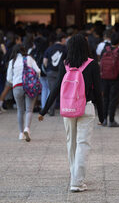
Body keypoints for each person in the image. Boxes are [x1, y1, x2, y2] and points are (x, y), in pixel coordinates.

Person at [38, 34, 103, 192]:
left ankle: (75, 177)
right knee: (83, 144)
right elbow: (99, 91)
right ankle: (77, 181)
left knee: (71, 143)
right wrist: (103, 115)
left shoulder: (65, 64)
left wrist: (44, 110)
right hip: (86, 108)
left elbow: (56, 88)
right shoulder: (93, 65)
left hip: (68, 108)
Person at [7, 45, 41, 142]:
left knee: (20, 110)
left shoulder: (12, 62)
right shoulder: (29, 58)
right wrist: (34, 80)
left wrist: (15, 81)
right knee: (29, 110)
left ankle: (21, 133)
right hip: (29, 86)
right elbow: (38, 70)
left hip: (17, 86)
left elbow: (9, 78)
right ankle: (27, 128)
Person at [100, 32, 119, 127]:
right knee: (113, 99)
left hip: (104, 78)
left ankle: (103, 120)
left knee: (105, 98)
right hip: (115, 78)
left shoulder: (104, 50)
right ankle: (111, 120)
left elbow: (100, 64)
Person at [43, 32, 67, 116]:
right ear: (62, 39)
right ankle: (64, 109)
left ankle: (51, 110)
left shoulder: (49, 48)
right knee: (63, 91)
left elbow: (45, 61)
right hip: (61, 72)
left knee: (52, 91)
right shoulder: (65, 48)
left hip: (50, 72)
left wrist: (48, 69)